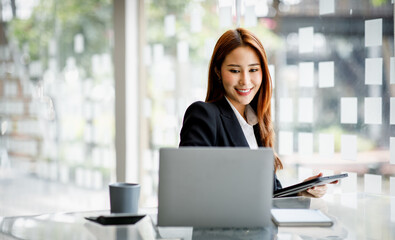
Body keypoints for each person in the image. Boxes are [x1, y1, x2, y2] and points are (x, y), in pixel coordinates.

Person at [179, 28, 335, 198]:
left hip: (259, 225)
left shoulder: (257, 125)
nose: (245, 81)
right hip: (220, 224)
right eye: (234, 70)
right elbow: (190, 188)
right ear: (218, 71)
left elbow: (269, 197)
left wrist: (301, 191)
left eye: (253, 70)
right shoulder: (204, 114)